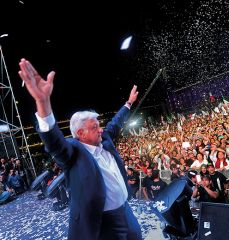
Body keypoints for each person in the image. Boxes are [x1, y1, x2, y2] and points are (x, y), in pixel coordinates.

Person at [18, 59, 141, 240]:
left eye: (99, 126)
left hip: (126, 210)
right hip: (103, 222)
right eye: (94, 127)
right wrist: (43, 103)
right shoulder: (73, 153)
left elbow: (115, 123)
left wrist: (128, 103)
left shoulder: (104, 139)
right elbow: (54, 142)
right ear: (80, 133)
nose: (100, 130)